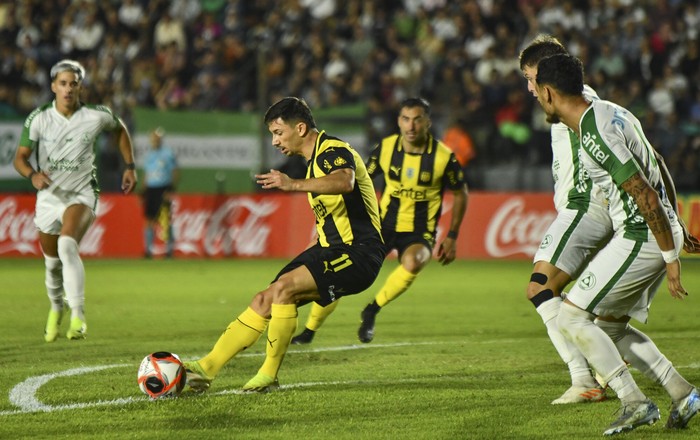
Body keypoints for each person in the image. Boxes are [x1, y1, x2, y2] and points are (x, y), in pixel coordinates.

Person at [535, 53, 700, 435]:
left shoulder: (593, 132)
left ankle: (635, 402)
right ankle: (683, 393)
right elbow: (657, 161)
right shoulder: (612, 110)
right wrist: (676, 222)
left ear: (548, 92)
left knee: (571, 316)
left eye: (536, 91)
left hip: (642, 235)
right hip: (655, 230)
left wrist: (670, 255)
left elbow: (641, 190)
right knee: (608, 327)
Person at [184, 97, 385, 392]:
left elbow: (345, 182)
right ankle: (206, 368)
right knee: (264, 300)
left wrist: (292, 184)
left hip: (359, 253)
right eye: (272, 135)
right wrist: (320, 227)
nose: (275, 142)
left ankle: (268, 376)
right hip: (332, 248)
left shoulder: (332, 150)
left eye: (278, 133)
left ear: (300, 128)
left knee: (284, 289)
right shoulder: (313, 162)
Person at [290, 97, 468, 345]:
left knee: (414, 261)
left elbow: (461, 192)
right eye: (406, 119)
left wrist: (452, 235)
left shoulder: (443, 157)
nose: (411, 126)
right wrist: (333, 229)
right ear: (399, 121)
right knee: (338, 266)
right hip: (381, 226)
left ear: (428, 122)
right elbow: (360, 182)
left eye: (417, 119)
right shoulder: (385, 149)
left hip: (420, 230)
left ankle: (373, 308)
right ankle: (309, 330)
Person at [13, 59, 137, 342]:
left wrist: (129, 166)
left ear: (81, 86)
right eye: (63, 83)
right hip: (48, 198)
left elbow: (120, 130)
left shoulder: (95, 115)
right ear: (53, 86)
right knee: (51, 262)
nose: (68, 89)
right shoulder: (39, 118)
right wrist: (32, 175)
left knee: (67, 245)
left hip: (82, 194)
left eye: (74, 83)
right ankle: (57, 308)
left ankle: (78, 314)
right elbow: (19, 157)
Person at [519, 35, 613, 405]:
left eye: (530, 78)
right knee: (585, 303)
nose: (528, 88)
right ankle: (604, 366)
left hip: (584, 205)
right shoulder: (587, 98)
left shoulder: (573, 104)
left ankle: (583, 377)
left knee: (540, 289)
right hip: (590, 207)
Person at [142, 127, 179, 258]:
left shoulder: (168, 154)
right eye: (153, 138)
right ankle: (148, 250)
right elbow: (147, 174)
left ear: (160, 139)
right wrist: (143, 191)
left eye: (156, 138)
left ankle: (169, 250)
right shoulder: (149, 155)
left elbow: (175, 171)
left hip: (163, 188)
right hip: (151, 189)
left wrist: (171, 189)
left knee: (165, 220)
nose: (154, 141)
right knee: (149, 220)